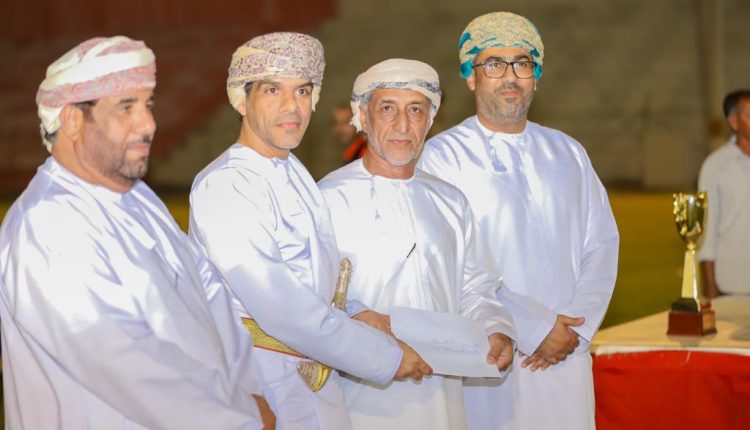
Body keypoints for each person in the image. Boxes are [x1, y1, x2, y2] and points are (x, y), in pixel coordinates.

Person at [0, 36, 272, 429]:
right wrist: (239, 417)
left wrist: (248, 394)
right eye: (126, 108)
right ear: (73, 120)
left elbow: (210, 297)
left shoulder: (137, 197)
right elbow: (127, 366)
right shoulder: (47, 225)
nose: (148, 124)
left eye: (148, 105)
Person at [188, 33, 431, 430]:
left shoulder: (293, 172)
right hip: (261, 386)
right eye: (272, 90)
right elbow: (282, 306)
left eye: (302, 91)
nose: (292, 106)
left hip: (312, 380)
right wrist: (384, 357)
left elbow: (314, 280)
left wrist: (359, 312)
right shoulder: (226, 184)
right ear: (240, 100)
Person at [419, 12, 620, 430]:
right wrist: (534, 328)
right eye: (494, 63)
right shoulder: (441, 158)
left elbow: (601, 243)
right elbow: (456, 266)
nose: (510, 76)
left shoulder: (568, 152)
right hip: (493, 354)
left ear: (536, 77)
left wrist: (577, 326)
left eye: (522, 63)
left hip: (568, 354)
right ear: (470, 76)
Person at [318, 58, 516, 430]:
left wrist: (495, 328)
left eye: (415, 110)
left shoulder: (450, 201)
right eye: (387, 108)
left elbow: (477, 286)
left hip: (443, 398)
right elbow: (307, 301)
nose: (402, 125)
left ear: (430, 119)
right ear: (363, 117)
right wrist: (362, 319)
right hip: (361, 399)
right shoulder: (326, 199)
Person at [698, 89, 750, 297]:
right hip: (732, 285)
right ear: (734, 122)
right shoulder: (715, 166)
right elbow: (707, 229)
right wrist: (710, 283)